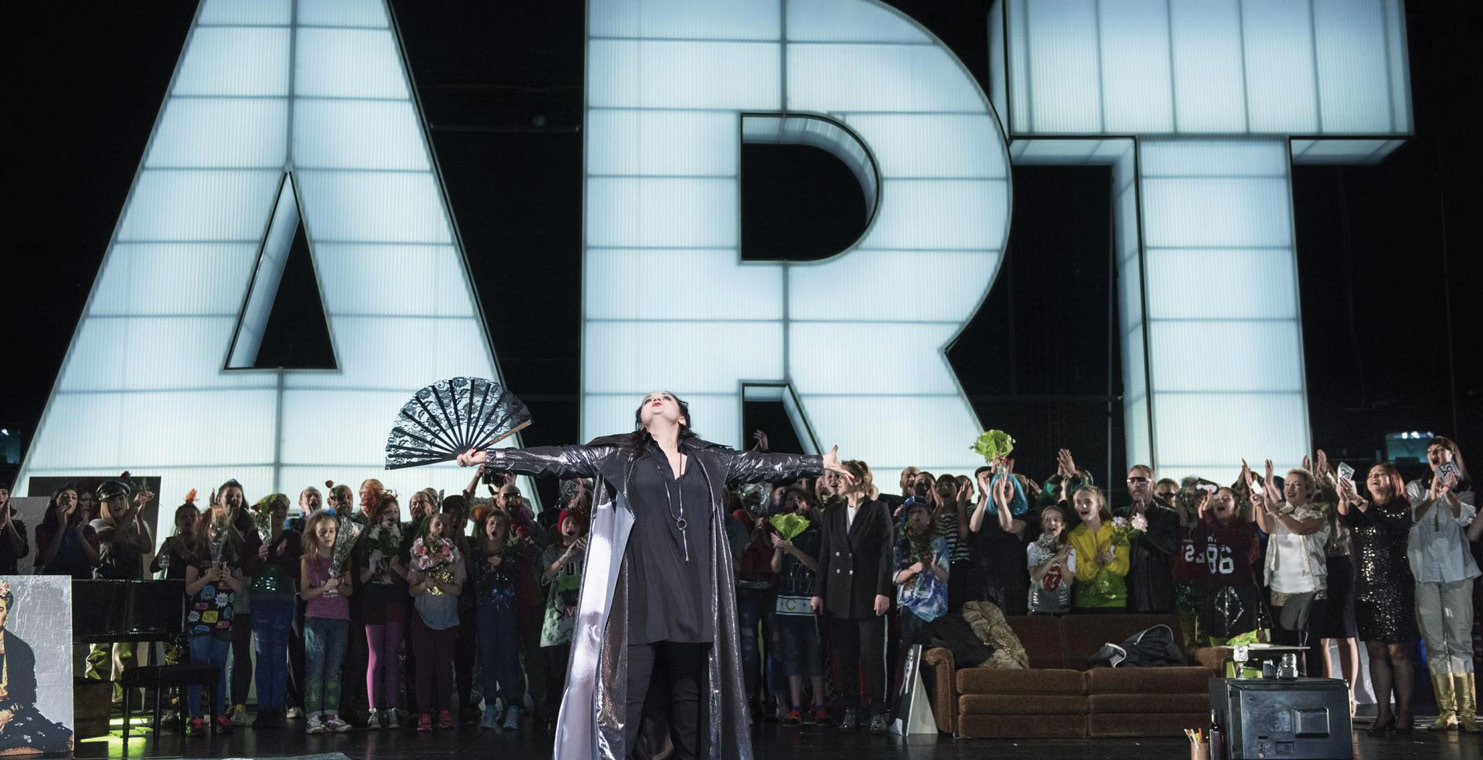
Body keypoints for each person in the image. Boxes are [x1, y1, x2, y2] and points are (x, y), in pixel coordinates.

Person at [457, 390, 846, 760]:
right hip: (641, 599)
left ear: (682, 416)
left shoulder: (711, 459)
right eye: (647, 399)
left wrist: (818, 464)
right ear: (642, 420)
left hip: (692, 600)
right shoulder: (619, 456)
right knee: (624, 706)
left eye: (665, 398)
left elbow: (766, 465)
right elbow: (558, 459)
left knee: (690, 712)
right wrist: (491, 456)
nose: (655, 398)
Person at [811, 459, 892, 734]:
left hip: (869, 595)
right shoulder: (832, 513)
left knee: (872, 658)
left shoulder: (878, 510)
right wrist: (818, 592)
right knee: (844, 658)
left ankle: (878, 710)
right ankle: (850, 709)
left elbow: (885, 554)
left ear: (857, 479)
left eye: (841, 476)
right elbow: (824, 555)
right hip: (837, 596)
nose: (836, 481)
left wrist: (883, 591)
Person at [1405, 437, 1478, 732]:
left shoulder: (1465, 491)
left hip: (1457, 572)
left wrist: (1448, 494)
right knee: (1435, 645)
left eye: (1439, 451)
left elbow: (1466, 520)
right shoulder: (1415, 488)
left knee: (1461, 643)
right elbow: (1411, 517)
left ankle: (1469, 712)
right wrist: (1431, 497)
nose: (1434, 455)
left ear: (1451, 455)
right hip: (1424, 573)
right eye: (1430, 452)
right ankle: (1446, 710)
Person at [1338, 463, 1416, 735]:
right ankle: (1384, 713)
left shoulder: (1402, 509)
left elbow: (1387, 524)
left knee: (1398, 651)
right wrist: (1342, 497)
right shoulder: (1360, 511)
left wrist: (1358, 501)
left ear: (1393, 479)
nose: (1373, 478)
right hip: (1366, 589)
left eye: (1378, 474)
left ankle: (1405, 711)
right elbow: (1344, 519)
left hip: (1395, 586)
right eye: (1369, 475)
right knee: (1375, 652)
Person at [1250, 463, 1330, 660]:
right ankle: (1287, 687)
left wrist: (1275, 511)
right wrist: (1260, 505)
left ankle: (1313, 686)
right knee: (1285, 643)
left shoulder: (1317, 513)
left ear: (1308, 489)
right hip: (1281, 585)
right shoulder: (1280, 512)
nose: (1290, 489)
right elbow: (1266, 527)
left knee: (1311, 644)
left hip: (1309, 586)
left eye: (1296, 485)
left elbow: (1300, 528)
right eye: (1286, 484)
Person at [184, 501, 246, 735]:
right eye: (212, 526)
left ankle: (220, 714)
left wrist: (228, 578)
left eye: (221, 527)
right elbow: (189, 589)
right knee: (199, 669)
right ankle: (196, 717)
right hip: (199, 621)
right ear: (204, 527)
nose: (216, 532)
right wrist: (207, 578)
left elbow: (241, 589)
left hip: (224, 621)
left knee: (219, 669)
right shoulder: (196, 555)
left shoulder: (232, 556)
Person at [768, 489, 826, 725]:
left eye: (799, 499)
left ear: (808, 503)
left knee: (814, 656)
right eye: (790, 499)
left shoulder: (815, 532)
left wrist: (793, 549)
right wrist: (780, 548)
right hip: (786, 604)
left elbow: (817, 565)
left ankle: (820, 706)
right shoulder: (782, 527)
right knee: (790, 656)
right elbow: (774, 568)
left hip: (809, 602)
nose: (794, 503)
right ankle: (795, 707)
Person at [407, 511, 465, 732]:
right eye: (436, 524)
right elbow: (412, 590)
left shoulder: (457, 556)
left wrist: (440, 584)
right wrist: (424, 585)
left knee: (443, 667)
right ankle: (424, 714)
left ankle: (444, 711)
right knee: (423, 667)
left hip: (447, 619)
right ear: (428, 528)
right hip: (422, 617)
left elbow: (458, 589)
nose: (441, 528)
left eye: (445, 525)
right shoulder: (417, 553)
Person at [246, 493, 300, 730]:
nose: (279, 512)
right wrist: (260, 556)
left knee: (279, 655)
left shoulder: (293, 536)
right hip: (259, 600)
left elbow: (296, 570)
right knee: (262, 654)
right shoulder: (253, 535)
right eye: (275, 507)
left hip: (284, 600)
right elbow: (246, 567)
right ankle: (263, 708)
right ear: (266, 511)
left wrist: (280, 557)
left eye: (284, 507)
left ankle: (277, 707)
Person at [0, 580, 74, 754]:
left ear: (7, 614)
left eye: (0, 610)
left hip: (11, 713)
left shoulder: (20, 649)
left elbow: (27, 695)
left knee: (36, 742)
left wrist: (5, 715)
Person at [470, 508, 527, 730]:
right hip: (485, 613)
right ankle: (490, 707)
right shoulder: (477, 555)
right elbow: (476, 582)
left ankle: (512, 706)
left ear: (505, 531)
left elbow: (513, 578)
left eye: (499, 524)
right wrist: (490, 567)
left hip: (506, 614)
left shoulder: (512, 555)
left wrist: (501, 565)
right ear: (485, 527)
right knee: (487, 660)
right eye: (491, 523)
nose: (495, 527)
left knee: (508, 659)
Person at [300, 509, 353, 734]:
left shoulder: (343, 558)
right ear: (315, 534)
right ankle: (313, 716)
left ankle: (332, 714)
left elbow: (350, 590)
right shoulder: (307, 560)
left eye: (331, 531)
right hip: (316, 619)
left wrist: (339, 585)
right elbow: (304, 594)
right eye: (323, 532)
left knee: (333, 669)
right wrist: (324, 587)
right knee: (315, 668)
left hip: (339, 619)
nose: (328, 536)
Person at [359, 493, 407, 730]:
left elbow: (410, 575)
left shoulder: (404, 538)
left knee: (393, 657)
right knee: (375, 657)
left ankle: (392, 708)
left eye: (396, 512)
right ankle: (374, 710)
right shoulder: (367, 539)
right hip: (373, 603)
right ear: (378, 515)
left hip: (396, 602)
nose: (392, 516)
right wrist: (372, 563)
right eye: (388, 512)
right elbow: (361, 578)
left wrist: (396, 564)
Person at [538, 509, 589, 733]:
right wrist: (567, 554)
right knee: (556, 672)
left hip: (583, 621)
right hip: (558, 623)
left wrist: (590, 551)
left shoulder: (591, 549)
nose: (570, 526)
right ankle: (554, 715)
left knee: (582, 672)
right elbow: (546, 576)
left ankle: (581, 716)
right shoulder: (551, 551)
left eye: (575, 523)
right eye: (566, 522)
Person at [1191, 487, 1262, 644]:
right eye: (1216, 498)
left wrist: (1208, 516)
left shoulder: (1244, 529)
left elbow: (1228, 539)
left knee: (1242, 648)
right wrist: (1202, 518)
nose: (1219, 501)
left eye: (1226, 498)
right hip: (1215, 592)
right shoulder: (1209, 525)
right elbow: (1198, 546)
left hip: (1241, 594)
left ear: (1236, 507)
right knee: (1218, 650)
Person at [967, 466, 1030, 614]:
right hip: (985, 579)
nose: (1002, 490)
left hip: (1010, 580)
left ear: (1015, 491)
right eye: (997, 487)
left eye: (1007, 487)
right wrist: (984, 497)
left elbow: (1007, 525)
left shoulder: (1022, 515)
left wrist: (1000, 498)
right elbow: (974, 527)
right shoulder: (986, 515)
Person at [1116, 465, 1179, 613]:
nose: (1136, 485)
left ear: (1153, 485)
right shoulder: (1119, 514)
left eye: (1142, 480)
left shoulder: (1168, 515)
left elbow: (1171, 547)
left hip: (1156, 592)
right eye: (1132, 480)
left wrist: (1143, 526)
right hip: (1126, 591)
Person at [893, 499, 949, 661]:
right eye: (912, 512)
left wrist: (932, 566)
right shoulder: (900, 543)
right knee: (908, 653)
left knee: (931, 654)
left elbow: (945, 576)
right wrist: (912, 569)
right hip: (908, 606)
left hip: (933, 608)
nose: (916, 515)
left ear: (929, 517)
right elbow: (895, 577)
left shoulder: (938, 542)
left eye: (920, 512)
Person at [1068, 486, 1130, 611]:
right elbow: (1079, 573)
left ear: (1099, 505)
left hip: (1115, 601)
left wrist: (1111, 563)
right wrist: (1095, 562)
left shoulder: (1117, 530)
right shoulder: (1074, 536)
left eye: (1088, 502)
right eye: (1078, 502)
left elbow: (1124, 568)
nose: (1083, 506)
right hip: (1086, 603)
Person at [34, 485, 98, 578]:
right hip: (52, 581)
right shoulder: (43, 529)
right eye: (65, 496)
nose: (69, 500)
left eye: (74, 497)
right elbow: (46, 561)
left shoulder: (87, 530)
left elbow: (96, 562)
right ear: (55, 501)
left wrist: (80, 535)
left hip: (79, 582)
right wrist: (62, 526)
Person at [1026, 503, 1074, 615]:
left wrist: (1062, 564)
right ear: (1042, 524)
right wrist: (1053, 559)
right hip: (1038, 609)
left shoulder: (1069, 549)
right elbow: (1035, 577)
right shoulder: (1034, 547)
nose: (1051, 523)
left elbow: (1068, 581)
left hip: (1062, 609)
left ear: (1063, 525)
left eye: (1056, 520)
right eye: (1047, 519)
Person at [0, 485, 29, 575]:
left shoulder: (18, 525)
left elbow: (21, 552)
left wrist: (8, 520)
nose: (0, 496)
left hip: (9, 578)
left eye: (4, 493)